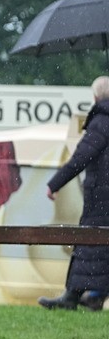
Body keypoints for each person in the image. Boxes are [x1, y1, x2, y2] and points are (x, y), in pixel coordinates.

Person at [38, 75, 109, 310]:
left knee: (90, 242)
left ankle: (72, 296)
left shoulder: (102, 121)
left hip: (102, 196)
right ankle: (95, 296)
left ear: (95, 96)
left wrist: (54, 183)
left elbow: (81, 157)